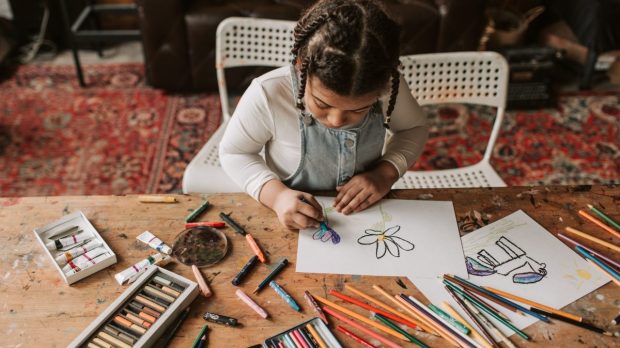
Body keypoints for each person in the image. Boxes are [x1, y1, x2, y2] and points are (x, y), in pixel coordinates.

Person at [219, 0, 429, 229]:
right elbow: (234, 153)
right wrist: (277, 196)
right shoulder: (269, 93)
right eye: (321, 103)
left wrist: (385, 173)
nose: (336, 120)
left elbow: (413, 129)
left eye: (358, 109)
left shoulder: (388, 88)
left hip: (367, 217)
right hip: (288, 214)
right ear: (301, 66)